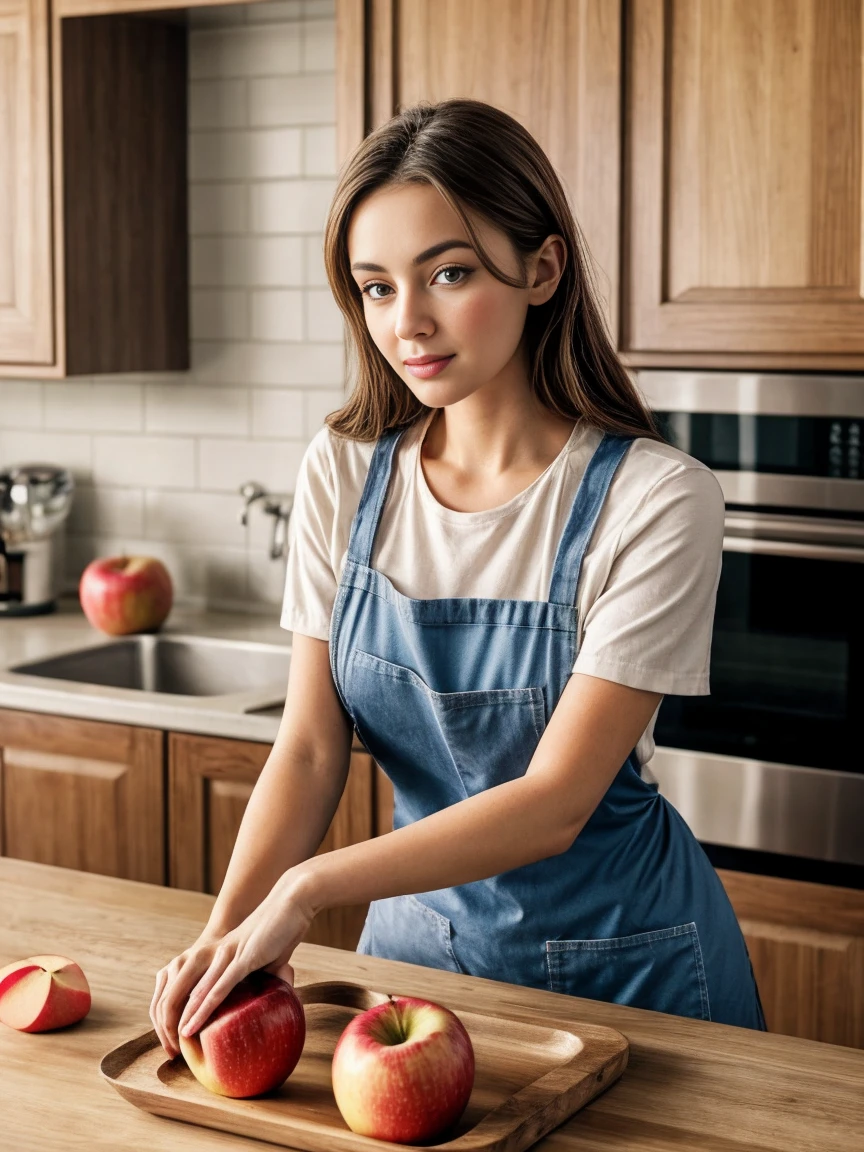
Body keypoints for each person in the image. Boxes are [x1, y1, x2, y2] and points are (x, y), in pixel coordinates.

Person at [150, 98, 765, 1057]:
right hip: (415, 961)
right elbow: (312, 749)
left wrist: (306, 890)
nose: (410, 322)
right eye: (377, 287)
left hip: (632, 979)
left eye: (449, 272)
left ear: (542, 270)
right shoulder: (345, 469)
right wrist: (224, 936)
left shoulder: (657, 499)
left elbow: (557, 802)